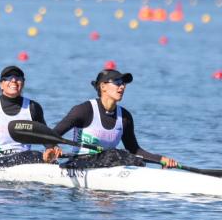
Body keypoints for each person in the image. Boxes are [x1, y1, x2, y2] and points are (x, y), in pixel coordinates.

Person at [43, 69, 178, 167]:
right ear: (103, 87)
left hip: (108, 163)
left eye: (124, 83)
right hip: (79, 163)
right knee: (114, 154)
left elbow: (134, 150)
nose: (122, 86)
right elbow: (51, 136)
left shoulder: (125, 117)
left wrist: (160, 159)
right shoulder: (84, 110)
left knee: (136, 160)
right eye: (118, 82)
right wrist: (51, 148)